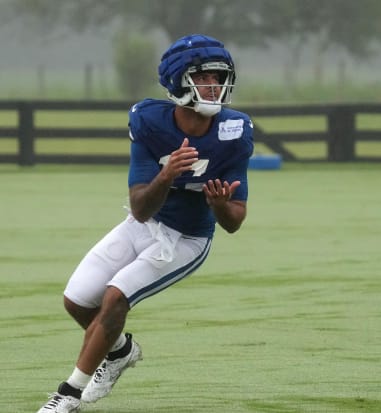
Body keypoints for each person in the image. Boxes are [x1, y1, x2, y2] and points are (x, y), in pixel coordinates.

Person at [36, 34, 253, 413]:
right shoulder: (150, 121)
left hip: (187, 238)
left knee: (115, 298)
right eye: (204, 78)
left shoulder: (233, 131)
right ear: (178, 81)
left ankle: (68, 396)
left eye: (219, 78)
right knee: (76, 301)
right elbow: (139, 208)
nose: (214, 86)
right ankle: (120, 351)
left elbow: (234, 221)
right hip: (144, 223)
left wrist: (219, 205)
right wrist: (166, 175)